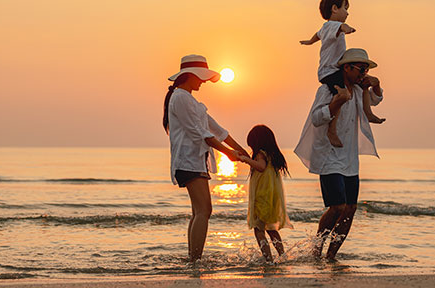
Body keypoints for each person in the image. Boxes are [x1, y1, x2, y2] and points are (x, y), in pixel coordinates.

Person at [294, 48, 383, 261]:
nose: (364, 73)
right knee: (337, 207)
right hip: (329, 156)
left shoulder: (359, 90)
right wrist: (337, 102)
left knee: (350, 208)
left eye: (366, 69)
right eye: (361, 69)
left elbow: (375, 100)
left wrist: (377, 85)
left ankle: (331, 255)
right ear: (347, 67)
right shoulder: (328, 90)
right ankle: (317, 248)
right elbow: (316, 118)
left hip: (350, 159)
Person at [163, 54, 248, 262]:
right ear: (190, 75)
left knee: (198, 212)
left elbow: (216, 129)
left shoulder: (190, 100)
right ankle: (195, 260)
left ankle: (193, 258)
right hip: (188, 161)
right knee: (204, 210)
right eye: (201, 77)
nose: (203, 82)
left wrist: (241, 150)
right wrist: (229, 154)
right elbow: (201, 133)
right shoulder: (181, 98)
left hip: (196, 160)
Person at [300, 0, 385, 147]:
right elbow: (341, 27)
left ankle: (369, 113)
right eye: (345, 8)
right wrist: (348, 29)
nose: (347, 12)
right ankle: (332, 129)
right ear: (334, 9)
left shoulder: (325, 29)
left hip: (335, 70)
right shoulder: (332, 26)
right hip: (329, 71)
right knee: (341, 95)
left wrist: (309, 41)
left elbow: (317, 35)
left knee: (363, 85)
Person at [238, 125, 293, 262]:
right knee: (271, 229)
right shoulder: (273, 156)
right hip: (271, 197)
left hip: (262, 197)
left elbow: (261, 167)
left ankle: (268, 259)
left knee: (258, 229)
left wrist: (246, 160)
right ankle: (282, 256)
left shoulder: (261, 154)